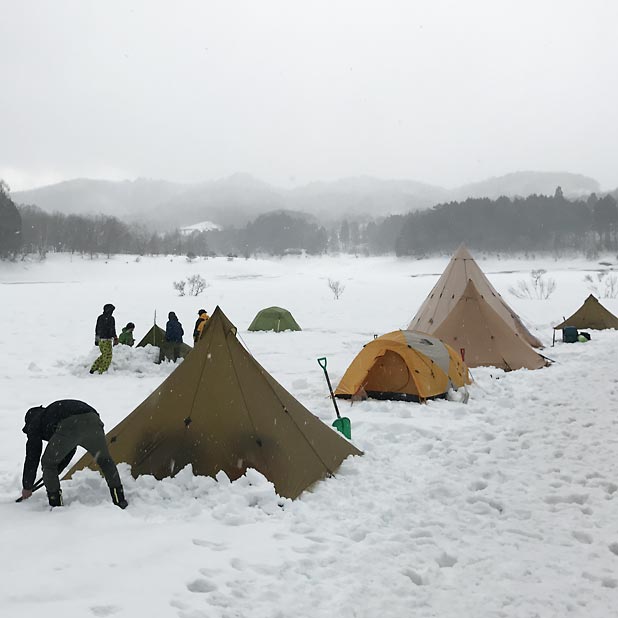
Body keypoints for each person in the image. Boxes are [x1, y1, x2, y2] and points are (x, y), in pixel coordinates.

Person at [20, 399, 128, 509]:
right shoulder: (54, 413)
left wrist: (27, 486)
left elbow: (32, 456)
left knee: (48, 463)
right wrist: (53, 474)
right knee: (105, 460)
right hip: (93, 419)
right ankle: (120, 499)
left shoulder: (35, 422)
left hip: (71, 423)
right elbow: (68, 450)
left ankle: (56, 505)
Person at [90, 303, 118, 374]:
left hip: (100, 340)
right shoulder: (111, 318)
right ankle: (102, 371)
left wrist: (96, 339)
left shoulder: (100, 317)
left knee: (104, 355)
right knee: (108, 356)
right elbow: (112, 329)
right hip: (107, 340)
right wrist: (115, 337)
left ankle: (94, 368)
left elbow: (97, 329)